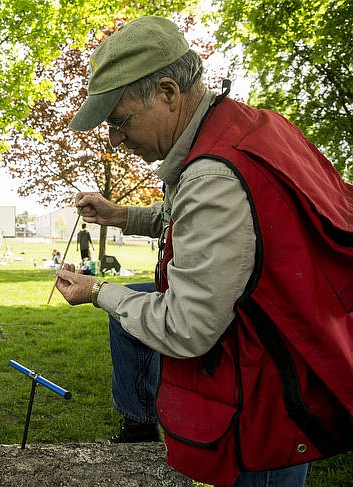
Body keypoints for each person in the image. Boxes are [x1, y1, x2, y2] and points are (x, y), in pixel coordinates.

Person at [55, 16, 353, 487]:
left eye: (120, 120)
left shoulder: (212, 176)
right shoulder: (247, 128)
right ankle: (138, 422)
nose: (114, 139)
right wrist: (119, 215)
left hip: (260, 404)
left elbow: (185, 327)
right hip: (280, 352)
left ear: (169, 92)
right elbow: (204, 223)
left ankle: (137, 425)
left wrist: (98, 292)